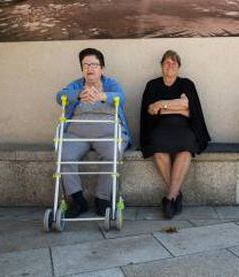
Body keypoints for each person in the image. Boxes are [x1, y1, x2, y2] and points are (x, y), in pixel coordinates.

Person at [56, 48, 131, 218]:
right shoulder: (76, 85)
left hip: (107, 131)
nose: (90, 68)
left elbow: (122, 97)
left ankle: (102, 199)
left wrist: (101, 96)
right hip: (77, 133)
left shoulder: (111, 83)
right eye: (85, 65)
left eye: (94, 64)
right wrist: (78, 95)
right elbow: (59, 96)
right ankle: (77, 200)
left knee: (113, 152)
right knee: (63, 154)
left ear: (101, 68)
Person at [140, 50, 210, 219]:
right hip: (159, 128)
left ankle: (170, 198)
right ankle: (175, 194)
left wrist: (161, 104)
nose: (170, 66)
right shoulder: (153, 85)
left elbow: (188, 107)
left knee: (185, 151)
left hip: (184, 128)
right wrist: (177, 106)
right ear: (161, 66)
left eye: (174, 63)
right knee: (158, 151)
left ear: (179, 67)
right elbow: (149, 110)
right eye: (166, 63)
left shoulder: (186, 84)